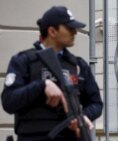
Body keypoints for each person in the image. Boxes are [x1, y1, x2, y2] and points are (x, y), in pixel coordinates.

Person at [1, 6, 103, 141]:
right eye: (69, 28)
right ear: (52, 31)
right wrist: (42, 86)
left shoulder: (78, 65)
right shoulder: (24, 61)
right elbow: (9, 101)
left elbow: (96, 103)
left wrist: (83, 116)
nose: (75, 32)